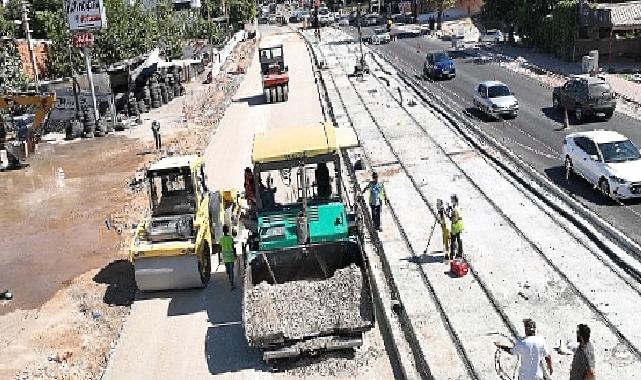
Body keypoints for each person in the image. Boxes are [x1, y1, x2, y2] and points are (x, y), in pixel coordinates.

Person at [220, 225, 236, 290]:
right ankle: (231, 283)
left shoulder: (221, 239)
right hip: (231, 256)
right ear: (228, 231)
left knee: (229, 270)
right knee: (231, 270)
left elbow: (220, 248)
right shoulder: (230, 238)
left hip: (225, 257)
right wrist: (235, 254)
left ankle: (229, 274)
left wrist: (220, 256)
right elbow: (233, 247)